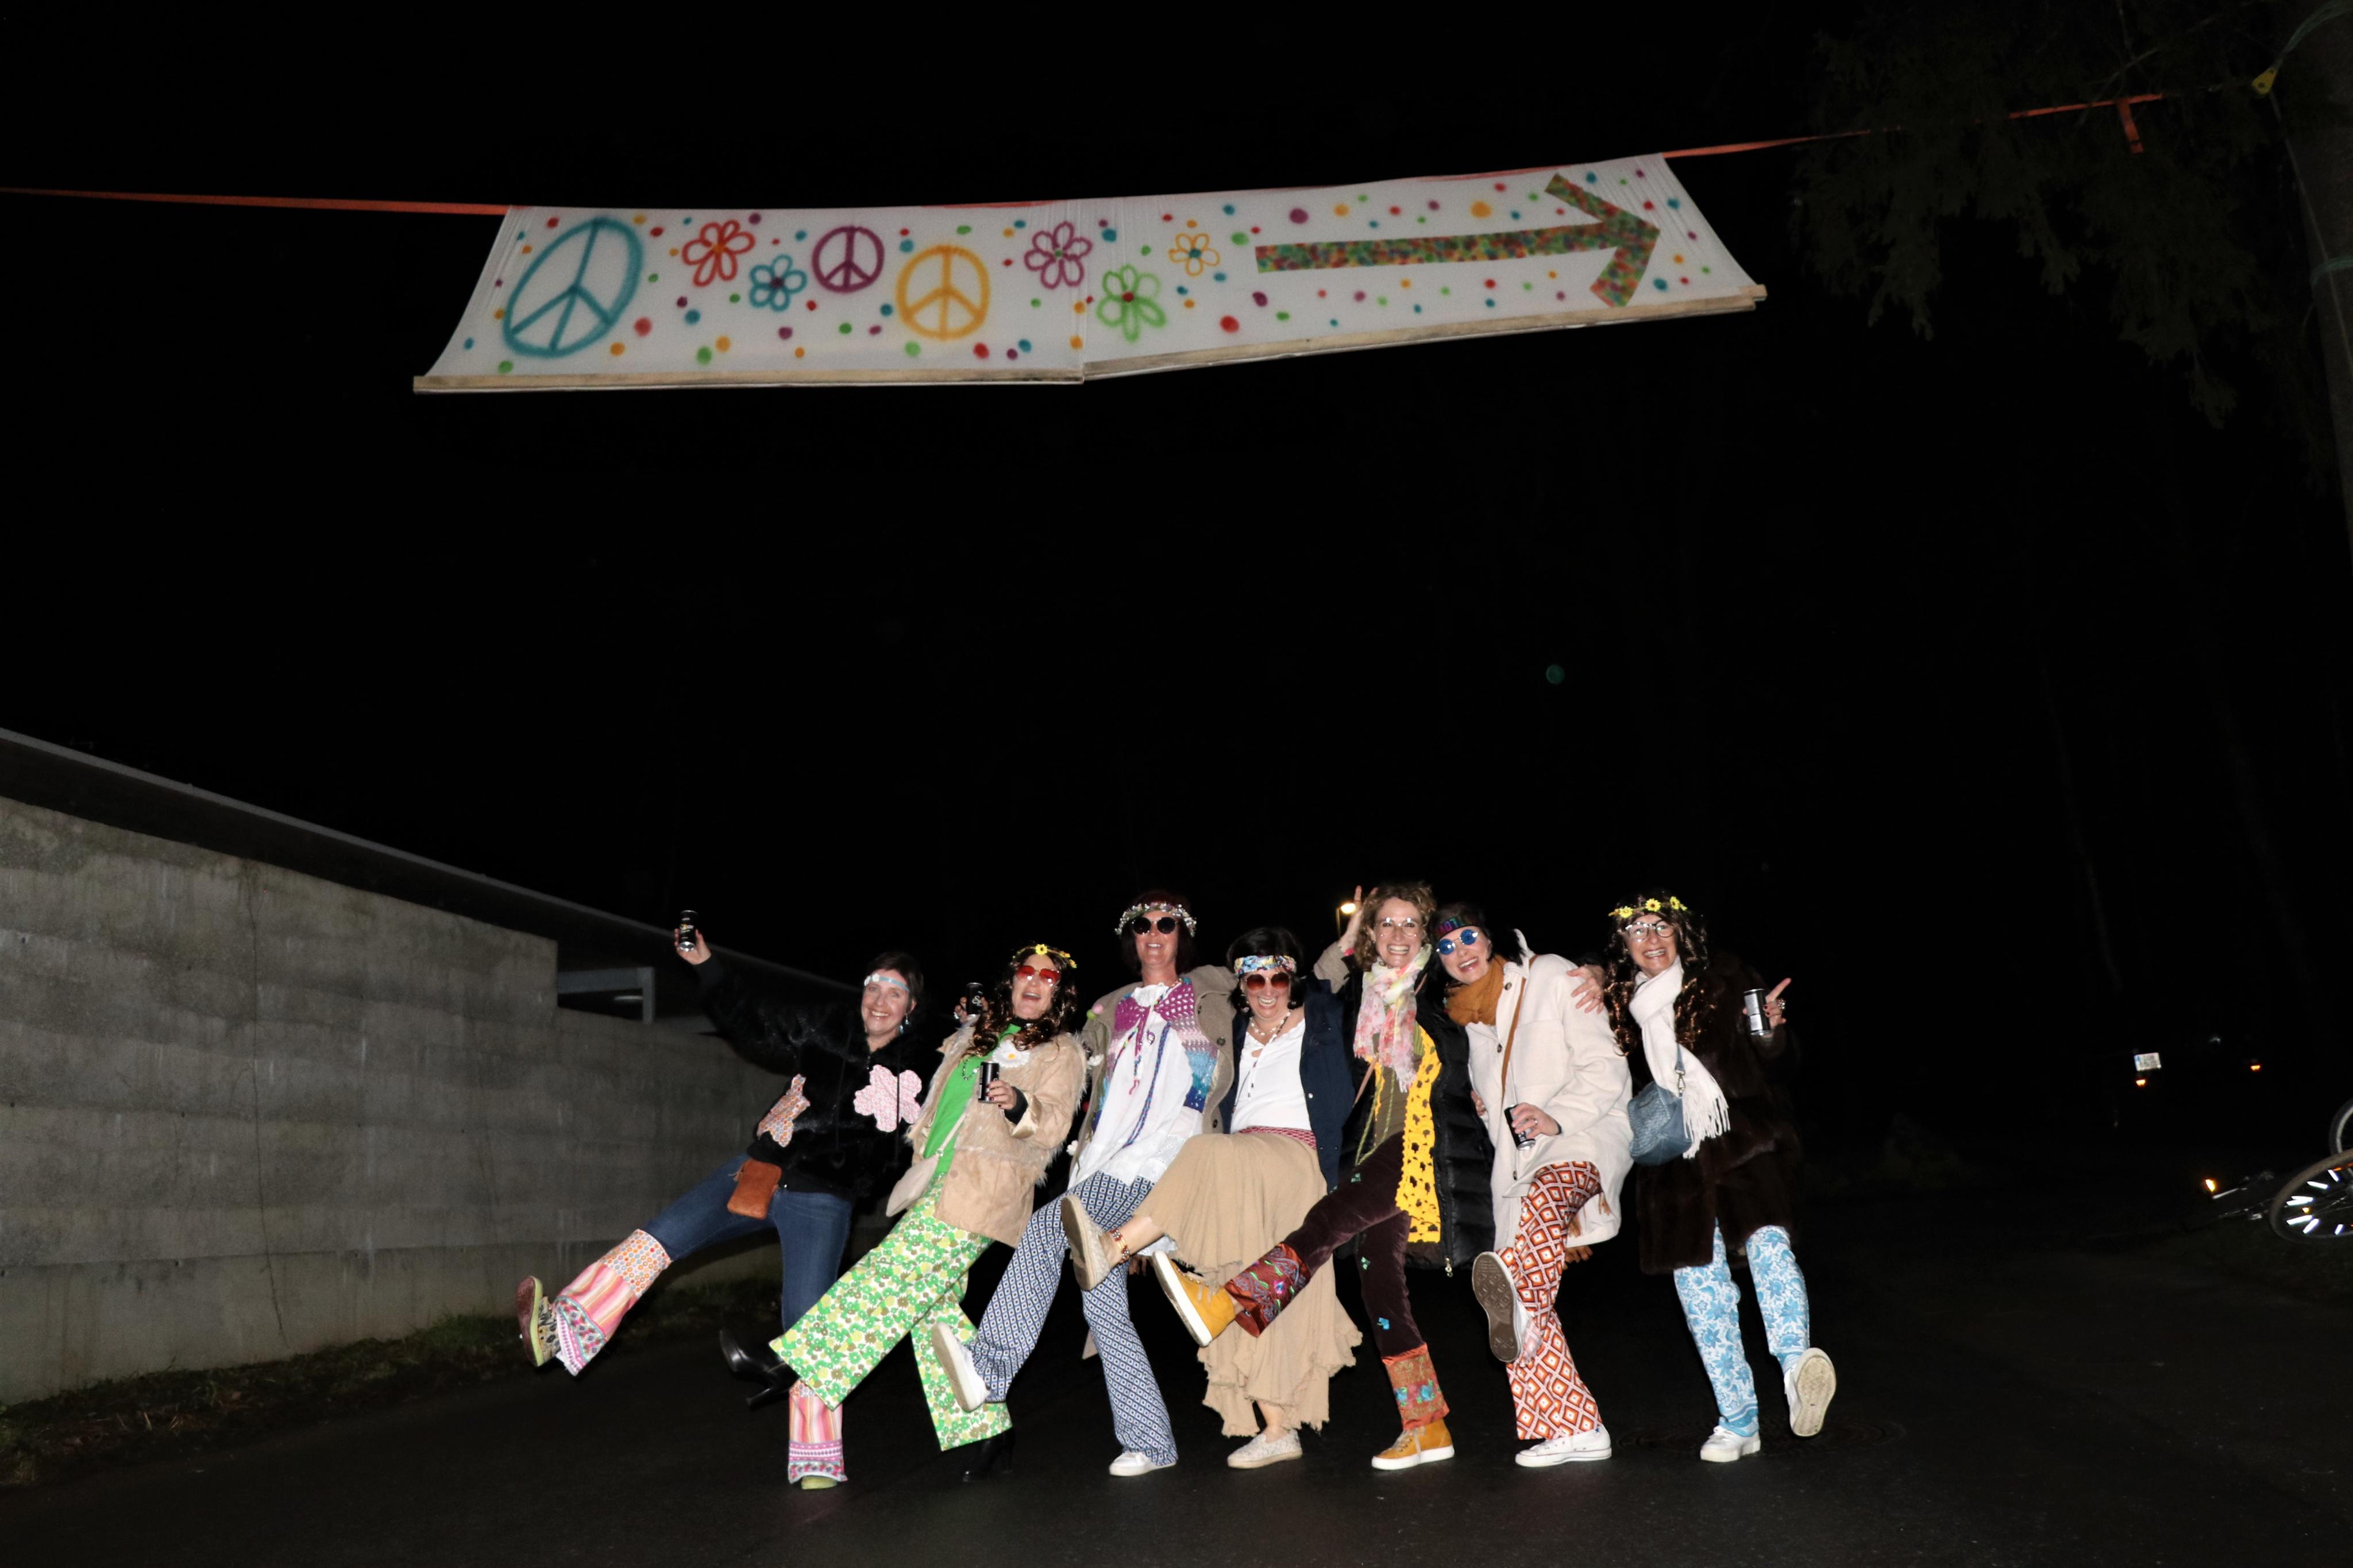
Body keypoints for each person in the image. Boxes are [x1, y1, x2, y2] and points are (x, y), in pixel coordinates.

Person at [512, 928, 931, 1489]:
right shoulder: (828, 1027)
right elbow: (757, 1020)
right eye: (873, 987)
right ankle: (563, 1328)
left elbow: (923, 1138)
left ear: (910, 1007)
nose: (879, 1000)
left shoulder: (917, 1073)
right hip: (759, 1171)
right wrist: (707, 964)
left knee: (808, 1325)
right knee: (661, 1235)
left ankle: (817, 1458)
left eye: (895, 992)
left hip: (823, 1202)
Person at [1153, 881, 1490, 1470]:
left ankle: (1230, 1303)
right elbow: (1313, 981)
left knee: (1327, 1223)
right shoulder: (1363, 994)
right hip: (1373, 1144)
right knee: (1380, 1289)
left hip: (1421, 1142)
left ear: (1425, 933)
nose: (1398, 934)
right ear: (1371, 934)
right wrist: (1342, 941)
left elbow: (1492, 990)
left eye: (1410, 924)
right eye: (1385, 924)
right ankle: (1427, 1425)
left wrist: (1578, 973)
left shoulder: (1439, 984)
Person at [930, 892, 1236, 1477]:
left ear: (1182, 934)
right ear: (1130, 937)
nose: (1153, 934)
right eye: (1142, 925)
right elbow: (1045, 1044)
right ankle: (1152, 1442)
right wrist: (981, 1022)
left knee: (1046, 1230)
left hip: (1162, 1162)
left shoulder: (1211, 992)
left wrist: (1348, 949)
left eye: (1166, 924)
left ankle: (989, 1368)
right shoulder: (1110, 1009)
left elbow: (1284, 980)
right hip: (1103, 1160)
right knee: (1105, 1311)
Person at [770, 943, 1086, 1482]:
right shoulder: (976, 1037)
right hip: (934, 1181)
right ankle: (989, 1432)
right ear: (1011, 982)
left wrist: (1017, 1102)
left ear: (1060, 994)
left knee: (886, 1276)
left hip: (984, 1190)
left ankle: (793, 1362)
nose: (1034, 982)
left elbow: (1054, 1127)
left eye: (1048, 978)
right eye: (1026, 972)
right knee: (934, 1319)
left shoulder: (1061, 1051)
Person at [1068, 926, 1360, 1468]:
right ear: (1241, 985)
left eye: (1277, 979)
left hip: (1295, 1159)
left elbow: (1332, 975)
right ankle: (1278, 1430)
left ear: (1292, 980)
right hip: (1243, 1168)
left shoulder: (1319, 1018)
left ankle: (1114, 1246)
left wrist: (1352, 939)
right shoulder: (1236, 1028)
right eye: (1254, 980)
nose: (1267, 990)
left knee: (1201, 1151)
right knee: (1244, 1281)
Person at [1602, 890, 1830, 1462]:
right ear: (1624, 943)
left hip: (1744, 1143)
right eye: (1638, 930)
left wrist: (1770, 1032)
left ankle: (1798, 1368)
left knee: (1770, 1249)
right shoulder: (1616, 1007)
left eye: (1662, 926)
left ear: (1681, 932)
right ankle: (1738, 1419)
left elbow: (1779, 1062)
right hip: (1676, 1167)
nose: (1652, 939)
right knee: (1703, 1298)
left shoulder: (1726, 981)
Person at [1436, 903, 1633, 1468]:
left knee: (1522, 1274)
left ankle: (1522, 1308)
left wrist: (1555, 1116)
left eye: (1468, 937)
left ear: (1489, 937)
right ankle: (1578, 1427)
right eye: (1446, 947)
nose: (1460, 952)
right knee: (1515, 1272)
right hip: (1518, 1167)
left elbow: (1607, 1065)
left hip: (1583, 1137)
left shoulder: (1550, 974)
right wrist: (1484, 1106)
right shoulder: (1466, 1022)